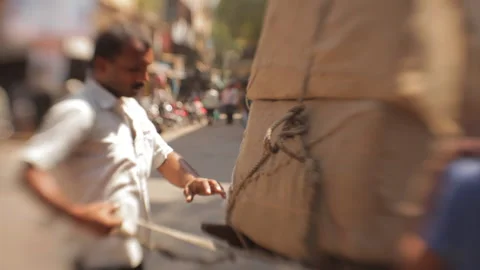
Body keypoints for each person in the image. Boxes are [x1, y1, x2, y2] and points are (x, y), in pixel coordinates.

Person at [21, 23, 226, 270]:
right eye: (134, 69)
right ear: (102, 66)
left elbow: (164, 156)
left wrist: (190, 180)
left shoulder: (133, 110)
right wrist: (78, 215)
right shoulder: (78, 111)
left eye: (146, 68)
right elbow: (30, 170)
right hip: (92, 262)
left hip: (132, 257)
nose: (144, 78)